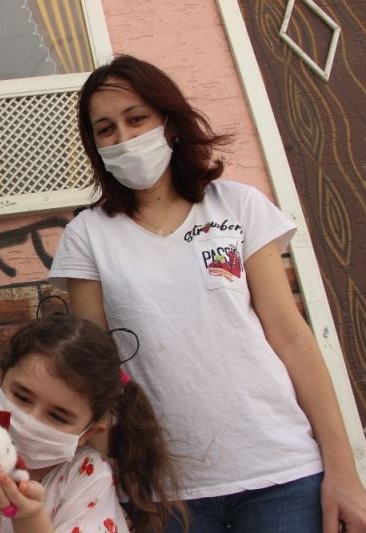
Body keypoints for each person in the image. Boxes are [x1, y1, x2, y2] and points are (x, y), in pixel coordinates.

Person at [49, 54, 366, 532]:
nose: (125, 138)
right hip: (164, 494)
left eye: (137, 119)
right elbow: (93, 374)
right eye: (106, 129)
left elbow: (291, 337)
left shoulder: (238, 206)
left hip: (283, 475)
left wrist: (343, 470)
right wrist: (110, 481)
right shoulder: (87, 236)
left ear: (171, 123)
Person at [0, 314, 186, 533]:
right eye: (22, 398)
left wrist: (29, 518)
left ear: (87, 433)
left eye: (58, 417)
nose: (31, 421)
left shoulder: (86, 478)